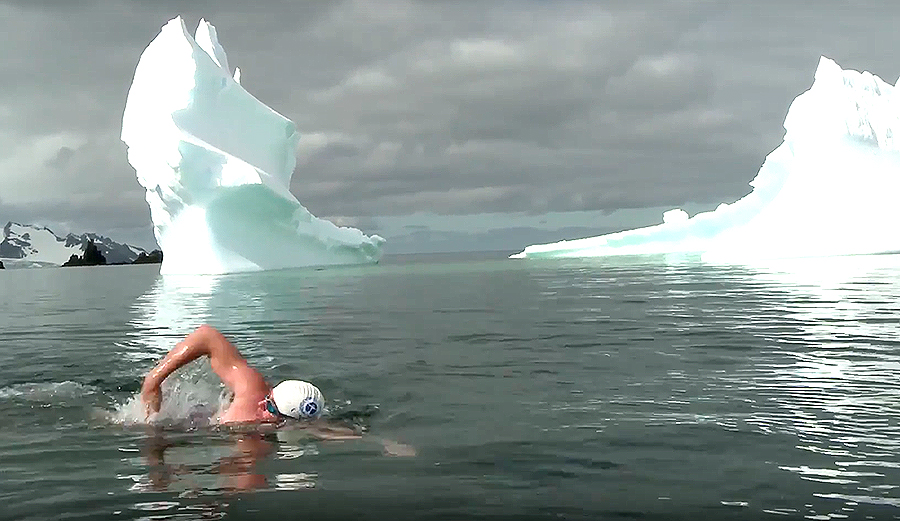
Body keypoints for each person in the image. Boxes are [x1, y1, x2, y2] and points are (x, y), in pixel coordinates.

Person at [141, 324, 414, 453]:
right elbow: (207, 335)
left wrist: (384, 442)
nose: (262, 404)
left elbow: (339, 433)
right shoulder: (253, 389)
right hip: (189, 417)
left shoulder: (268, 440)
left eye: (270, 408)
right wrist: (155, 378)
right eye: (268, 397)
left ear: (286, 421)